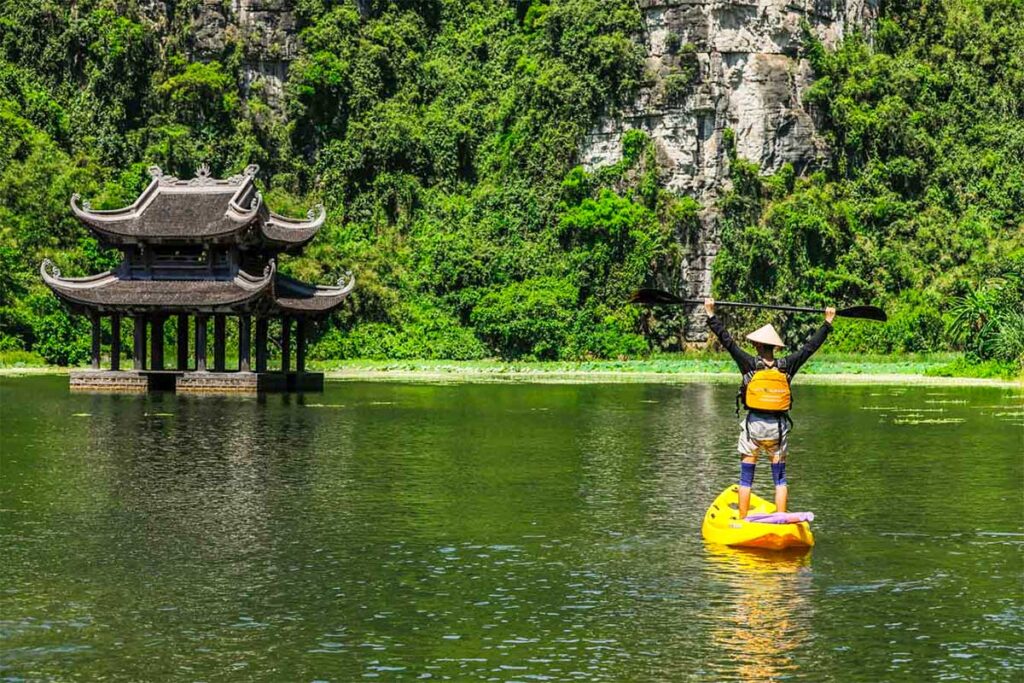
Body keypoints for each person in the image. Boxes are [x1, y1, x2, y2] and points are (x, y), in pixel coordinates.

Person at [704, 298, 837, 518]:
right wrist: (827, 322)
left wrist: (711, 315)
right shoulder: (787, 366)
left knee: (746, 478)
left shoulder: (748, 363)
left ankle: (744, 520)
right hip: (777, 428)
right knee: (780, 478)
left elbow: (727, 341)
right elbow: (809, 348)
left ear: (756, 345)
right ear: (775, 347)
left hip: (754, 427)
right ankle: (780, 518)